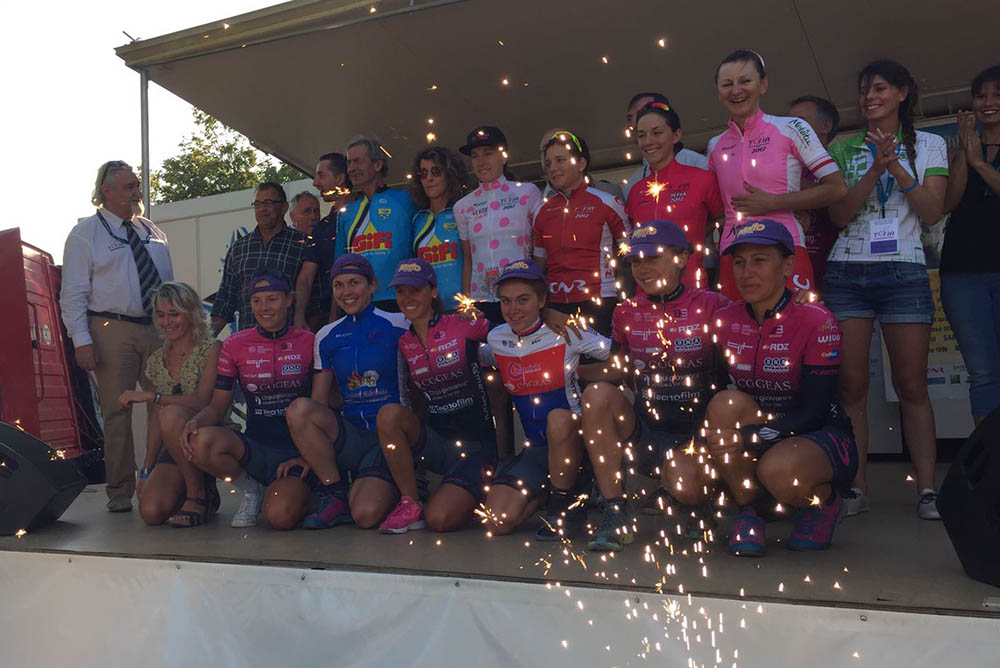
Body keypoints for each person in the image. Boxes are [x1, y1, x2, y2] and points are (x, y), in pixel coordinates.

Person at [826, 59, 949, 519]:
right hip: (847, 272)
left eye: (878, 88)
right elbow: (839, 216)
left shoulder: (930, 144)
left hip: (904, 270)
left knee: (912, 384)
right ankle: (857, 486)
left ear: (902, 93)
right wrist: (874, 170)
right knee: (852, 387)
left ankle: (927, 489)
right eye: (863, 90)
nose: (869, 97)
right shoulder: (844, 147)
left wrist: (895, 164)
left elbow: (931, 211)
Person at [707, 220, 858, 556]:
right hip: (762, 430)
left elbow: (815, 410)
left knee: (776, 469)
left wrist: (754, 437)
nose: (746, 273)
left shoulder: (815, 319)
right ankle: (750, 512)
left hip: (816, 433)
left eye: (760, 260)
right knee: (723, 405)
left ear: (788, 265)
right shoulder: (725, 319)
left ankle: (826, 504)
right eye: (740, 263)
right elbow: (715, 392)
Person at [581, 220, 730, 551]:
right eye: (636, 261)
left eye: (653, 257)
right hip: (647, 432)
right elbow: (617, 371)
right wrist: (567, 366)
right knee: (596, 396)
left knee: (686, 485)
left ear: (681, 258)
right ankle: (615, 508)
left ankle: (702, 499)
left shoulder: (712, 304)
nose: (643, 268)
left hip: (697, 438)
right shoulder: (625, 311)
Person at [60, 160, 173, 512]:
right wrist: (82, 341)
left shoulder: (150, 229)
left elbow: (167, 280)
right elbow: (73, 293)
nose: (136, 192)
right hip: (111, 327)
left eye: (136, 185)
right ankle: (121, 490)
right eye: (128, 187)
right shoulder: (85, 234)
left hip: (157, 325)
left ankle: (163, 480)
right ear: (106, 192)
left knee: (165, 404)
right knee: (117, 411)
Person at [359, 259, 495, 533]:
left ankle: (481, 486)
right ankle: (410, 502)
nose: (407, 299)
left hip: (476, 447)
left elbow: (506, 344)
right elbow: (407, 399)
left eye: (416, 290)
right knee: (389, 414)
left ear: (433, 292)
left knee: (440, 520)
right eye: (401, 292)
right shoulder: (404, 343)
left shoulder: (464, 324)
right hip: (438, 444)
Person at [479, 259, 611, 538]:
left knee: (558, 419)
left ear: (542, 301)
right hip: (537, 449)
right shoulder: (495, 339)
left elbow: (621, 361)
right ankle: (551, 496)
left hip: (575, 441)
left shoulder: (567, 331)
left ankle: (571, 495)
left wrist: (579, 370)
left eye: (523, 300)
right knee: (495, 522)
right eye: (505, 301)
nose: (513, 310)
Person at [708, 49, 847, 300]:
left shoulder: (791, 128)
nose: (736, 90)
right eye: (727, 84)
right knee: (739, 337)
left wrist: (774, 203)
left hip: (785, 248)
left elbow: (836, 188)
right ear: (718, 92)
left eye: (745, 81)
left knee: (794, 333)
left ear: (763, 84)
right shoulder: (715, 145)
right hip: (734, 255)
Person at [182, 272, 317, 530]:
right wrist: (194, 422)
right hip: (255, 448)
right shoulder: (235, 344)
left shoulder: (310, 341)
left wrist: (311, 457)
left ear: (289, 301)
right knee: (200, 440)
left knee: (279, 517)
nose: (264, 308)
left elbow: (324, 407)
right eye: (257, 300)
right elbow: (218, 406)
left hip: (298, 452)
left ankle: (305, 493)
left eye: (272, 299)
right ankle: (251, 490)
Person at [297, 254, 410, 529]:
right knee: (299, 410)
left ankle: (404, 482)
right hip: (352, 436)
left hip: (390, 437)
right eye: (338, 285)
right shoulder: (326, 335)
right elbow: (318, 403)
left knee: (365, 514)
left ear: (372, 285)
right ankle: (334, 493)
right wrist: (308, 451)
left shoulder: (400, 323)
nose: (346, 292)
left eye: (354, 283)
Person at [118, 282, 223, 527]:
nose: (167, 322)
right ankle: (189, 491)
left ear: (192, 313)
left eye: (174, 314)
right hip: (174, 446)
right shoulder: (156, 360)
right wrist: (146, 470)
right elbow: (158, 418)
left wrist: (153, 397)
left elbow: (203, 402)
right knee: (151, 512)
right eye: (161, 315)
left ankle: (198, 495)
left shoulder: (212, 349)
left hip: (207, 436)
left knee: (171, 412)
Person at [941, 66, 1000, 425]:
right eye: (981, 95)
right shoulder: (964, 146)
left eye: (997, 95)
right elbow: (947, 203)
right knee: (983, 375)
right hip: (961, 274)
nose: (988, 102)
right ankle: (992, 470)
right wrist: (966, 154)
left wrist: (980, 161)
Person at [533, 129, 629, 336]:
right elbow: (539, 265)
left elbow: (629, 255)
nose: (553, 169)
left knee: (599, 367)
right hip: (556, 306)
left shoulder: (607, 202)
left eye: (560, 160)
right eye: (548, 164)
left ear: (582, 164)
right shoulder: (541, 211)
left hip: (600, 300)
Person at [626, 103, 725, 289]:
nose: (648, 141)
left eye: (657, 133)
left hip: (692, 291)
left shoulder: (702, 179)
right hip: (646, 294)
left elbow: (725, 223)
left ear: (676, 135)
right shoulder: (635, 190)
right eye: (641, 135)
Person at [454, 125, 543, 326]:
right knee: (487, 356)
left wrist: (540, 293)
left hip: (521, 298)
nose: (481, 161)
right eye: (475, 156)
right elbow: (468, 260)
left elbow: (540, 249)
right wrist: (466, 304)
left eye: (488, 153)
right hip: (481, 301)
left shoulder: (528, 193)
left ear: (503, 156)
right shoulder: (463, 206)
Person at [211, 182, 307, 334]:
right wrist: (202, 344)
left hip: (291, 345)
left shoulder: (302, 244)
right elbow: (225, 301)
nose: (262, 209)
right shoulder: (238, 248)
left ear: (284, 207)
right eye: (257, 204)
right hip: (248, 346)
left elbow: (317, 300)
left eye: (268, 203)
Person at [335, 137, 416, 312]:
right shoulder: (347, 212)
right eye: (349, 163)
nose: (351, 169)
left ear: (378, 164)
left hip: (398, 300)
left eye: (357, 161)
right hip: (357, 303)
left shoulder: (406, 200)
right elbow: (339, 265)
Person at [788, 95, 842, 289]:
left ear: (826, 126)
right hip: (791, 267)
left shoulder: (840, 162)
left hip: (836, 270)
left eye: (799, 122)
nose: (791, 129)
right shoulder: (783, 164)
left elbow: (844, 204)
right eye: (789, 123)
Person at [295, 153, 354, 331]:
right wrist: (299, 317)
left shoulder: (366, 214)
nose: (315, 183)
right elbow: (305, 277)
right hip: (332, 319)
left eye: (321, 175)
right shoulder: (322, 228)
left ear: (340, 178)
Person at [410, 146, 472, 310]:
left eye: (436, 171)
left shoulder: (462, 212)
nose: (429, 178)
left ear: (449, 174)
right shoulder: (417, 219)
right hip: (429, 310)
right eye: (423, 173)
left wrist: (467, 304)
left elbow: (471, 260)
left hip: (462, 308)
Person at [623, 92, 709, 202]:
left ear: (676, 134)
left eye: (645, 111)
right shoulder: (634, 184)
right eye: (630, 118)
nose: (636, 122)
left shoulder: (699, 165)